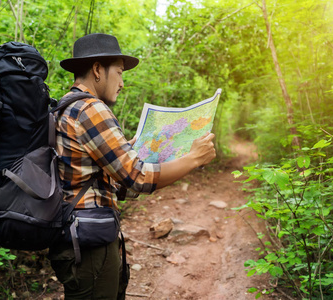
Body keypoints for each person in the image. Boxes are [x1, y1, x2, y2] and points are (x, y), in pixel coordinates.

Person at [49, 33, 216, 299]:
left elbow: (95, 179)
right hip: (90, 246)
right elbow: (137, 178)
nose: (123, 83)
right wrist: (193, 158)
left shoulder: (66, 107)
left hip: (77, 239)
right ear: (97, 70)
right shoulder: (91, 109)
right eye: (119, 72)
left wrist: (131, 152)